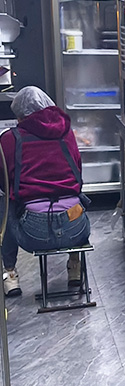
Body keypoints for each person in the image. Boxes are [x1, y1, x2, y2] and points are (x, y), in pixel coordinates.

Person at [1, 87, 90, 297]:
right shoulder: (67, 133)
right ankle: (75, 265)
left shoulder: (9, 139)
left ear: (21, 115)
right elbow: (77, 173)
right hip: (75, 227)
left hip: (34, 233)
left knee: (5, 203)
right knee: (78, 200)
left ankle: (10, 275)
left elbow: (3, 181)